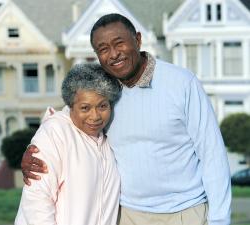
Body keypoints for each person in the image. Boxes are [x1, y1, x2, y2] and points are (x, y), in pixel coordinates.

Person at [21, 13, 231, 225]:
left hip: (186, 212)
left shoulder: (183, 83)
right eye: (103, 49)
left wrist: (220, 219)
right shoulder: (103, 91)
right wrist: (38, 149)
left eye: (119, 43)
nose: (113, 54)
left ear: (138, 40)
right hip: (127, 215)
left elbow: (212, 153)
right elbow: (74, 112)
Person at [15, 63, 122, 225]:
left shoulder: (107, 138)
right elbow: (37, 203)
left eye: (102, 106)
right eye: (85, 108)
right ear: (70, 106)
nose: (95, 116)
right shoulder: (54, 134)